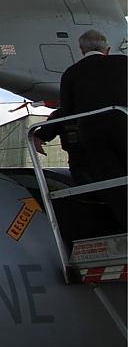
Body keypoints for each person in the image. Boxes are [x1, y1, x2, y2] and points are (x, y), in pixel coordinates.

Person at [34, 29, 126, 224]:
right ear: (107, 49)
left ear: (81, 49)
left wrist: (42, 134)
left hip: (94, 136)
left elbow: (67, 112)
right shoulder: (124, 63)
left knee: (113, 183)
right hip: (125, 125)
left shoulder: (71, 74)